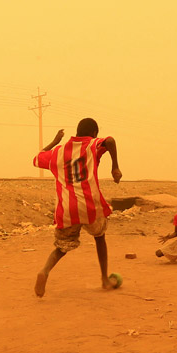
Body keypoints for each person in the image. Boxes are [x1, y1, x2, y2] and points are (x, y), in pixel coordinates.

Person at [32, 118, 122, 297]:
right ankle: (104, 278)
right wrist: (115, 167)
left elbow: (36, 158)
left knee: (61, 247)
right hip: (90, 206)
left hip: (67, 209)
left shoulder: (58, 152)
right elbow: (110, 141)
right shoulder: (91, 145)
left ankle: (45, 270)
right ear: (94, 133)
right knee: (100, 237)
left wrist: (54, 142)